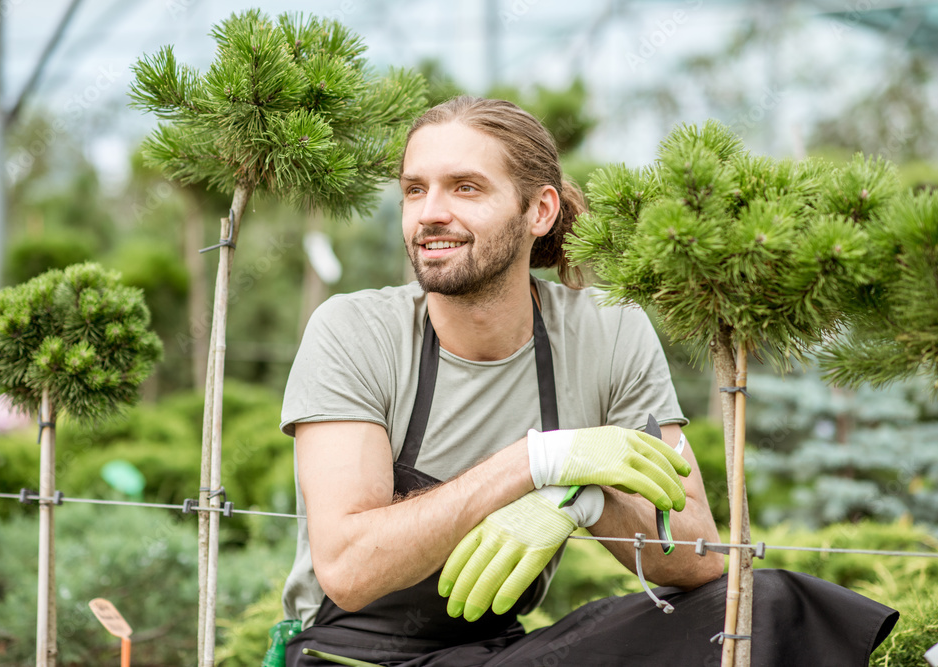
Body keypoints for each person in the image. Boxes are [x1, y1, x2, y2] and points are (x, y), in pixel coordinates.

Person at [277, 96, 897, 666]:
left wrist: (578, 497)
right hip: (347, 656)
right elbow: (349, 568)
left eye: (466, 188)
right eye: (416, 190)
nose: (432, 213)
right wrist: (540, 458)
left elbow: (697, 555)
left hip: (493, 653)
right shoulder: (355, 330)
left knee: (759, 604)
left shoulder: (609, 331)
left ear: (539, 210)